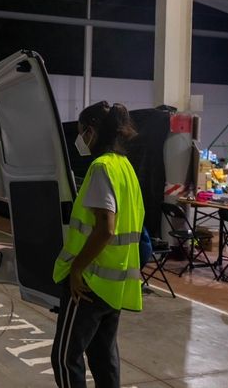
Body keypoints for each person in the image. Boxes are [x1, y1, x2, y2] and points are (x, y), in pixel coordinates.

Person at [51, 101, 145, 388]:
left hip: (89, 282)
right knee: (103, 356)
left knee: (65, 357)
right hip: (113, 284)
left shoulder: (101, 167)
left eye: (81, 132)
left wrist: (77, 269)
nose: (80, 139)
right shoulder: (125, 167)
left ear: (91, 131)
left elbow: (106, 228)